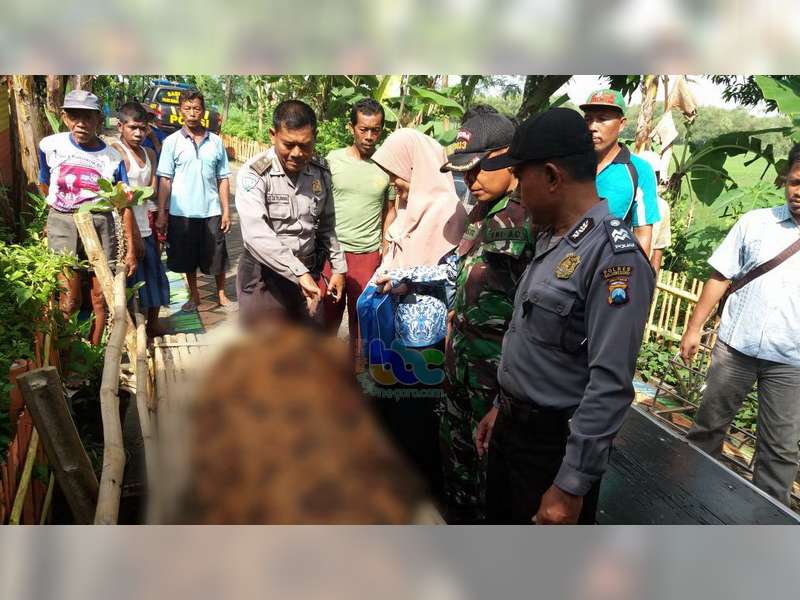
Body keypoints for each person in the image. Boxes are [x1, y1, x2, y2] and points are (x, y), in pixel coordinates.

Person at [475, 108, 655, 525]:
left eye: (522, 177)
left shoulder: (614, 258)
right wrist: (504, 406)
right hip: (514, 432)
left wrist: (570, 486)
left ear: (553, 177)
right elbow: (536, 345)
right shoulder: (552, 239)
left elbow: (609, 385)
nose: (516, 191)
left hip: (553, 452)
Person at [679, 144, 800, 506]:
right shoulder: (756, 223)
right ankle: (684, 501)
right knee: (708, 429)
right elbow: (720, 276)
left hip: (792, 362)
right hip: (735, 349)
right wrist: (693, 328)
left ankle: (765, 525)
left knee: (779, 451)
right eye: (795, 182)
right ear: (785, 181)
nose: (799, 192)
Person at [438, 111, 534, 524]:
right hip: (461, 357)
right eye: (466, 171)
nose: (471, 179)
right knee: (455, 453)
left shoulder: (531, 218)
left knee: (487, 465)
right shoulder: (481, 210)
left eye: (479, 169)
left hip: (495, 371)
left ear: (507, 160)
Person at [364, 127, 468, 501]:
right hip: (396, 322)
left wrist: (406, 277)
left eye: (396, 172)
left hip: (425, 331)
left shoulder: (446, 210)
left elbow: (452, 272)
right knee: (390, 401)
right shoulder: (409, 205)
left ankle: (417, 491)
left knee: (416, 412)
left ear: (417, 167)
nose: (393, 181)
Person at [235, 99, 346, 326]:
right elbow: (256, 234)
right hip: (263, 276)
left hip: (307, 273)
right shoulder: (255, 174)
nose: (297, 153)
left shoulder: (320, 172)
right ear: (272, 135)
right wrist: (297, 272)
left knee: (309, 345)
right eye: (288, 144)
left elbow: (327, 225)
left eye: (305, 145)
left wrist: (338, 268)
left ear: (314, 137)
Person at [38, 89, 134, 346]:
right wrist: (58, 214)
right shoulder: (50, 146)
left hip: (100, 223)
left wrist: (131, 246)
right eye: (74, 116)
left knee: (101, 296)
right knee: (69, 298)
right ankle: (67, 356)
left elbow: (124, 202)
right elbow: (44, 184)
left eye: (88, 117)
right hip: (63, 221)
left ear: (98, 120)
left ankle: (95, 354)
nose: (81, 123)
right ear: (65, 117)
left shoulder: (113, 159)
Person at [322, 99, 396, 355]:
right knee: (326, 315)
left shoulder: (387, 167)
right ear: (351, 128)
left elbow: (390, 211)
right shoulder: (332, 161)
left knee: (361, 320)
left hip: (367, 256)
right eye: (363, 129)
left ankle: (356, 375)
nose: (369, 136)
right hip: (332, 255)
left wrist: (385, 250)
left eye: (375, 130)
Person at [155, 90, 233, 312]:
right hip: (182, 213)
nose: (192, 113)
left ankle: (221, 295)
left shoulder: (216, 142)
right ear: (181, 111)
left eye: (196, 108)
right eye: (187, 108)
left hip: (211, 210)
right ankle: (195, 296)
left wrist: (226, 210)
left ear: (203, 111)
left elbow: (223, 178)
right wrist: (162, 212)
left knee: (217, 256)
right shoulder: (171, 142)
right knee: (187, 258)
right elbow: (165, 179)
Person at [111, 102, 170, 338]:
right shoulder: (115, 152)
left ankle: (153, 324)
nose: (138, 133)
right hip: (123, 228)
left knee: (154, 273)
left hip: (146, 224)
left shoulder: (150, 154)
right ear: (121, 126)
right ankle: (131, 328)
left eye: (143, 129)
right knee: (128, 279)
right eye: (133, 128)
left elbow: (152, 190)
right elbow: (118, 197)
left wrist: (159, 218)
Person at [581, 89, 660, 255]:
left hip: (604, 268)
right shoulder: (570, 162)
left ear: (622, 124)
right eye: (588, 119)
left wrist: (636, 276)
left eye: (602, 119)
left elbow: (643, 234)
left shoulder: (639, 171)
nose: (592, 127)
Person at [638, 150, 672, 274]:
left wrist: (650, 290)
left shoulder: (662, 207)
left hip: (637, 275)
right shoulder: (623, 198)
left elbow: (656, 257)